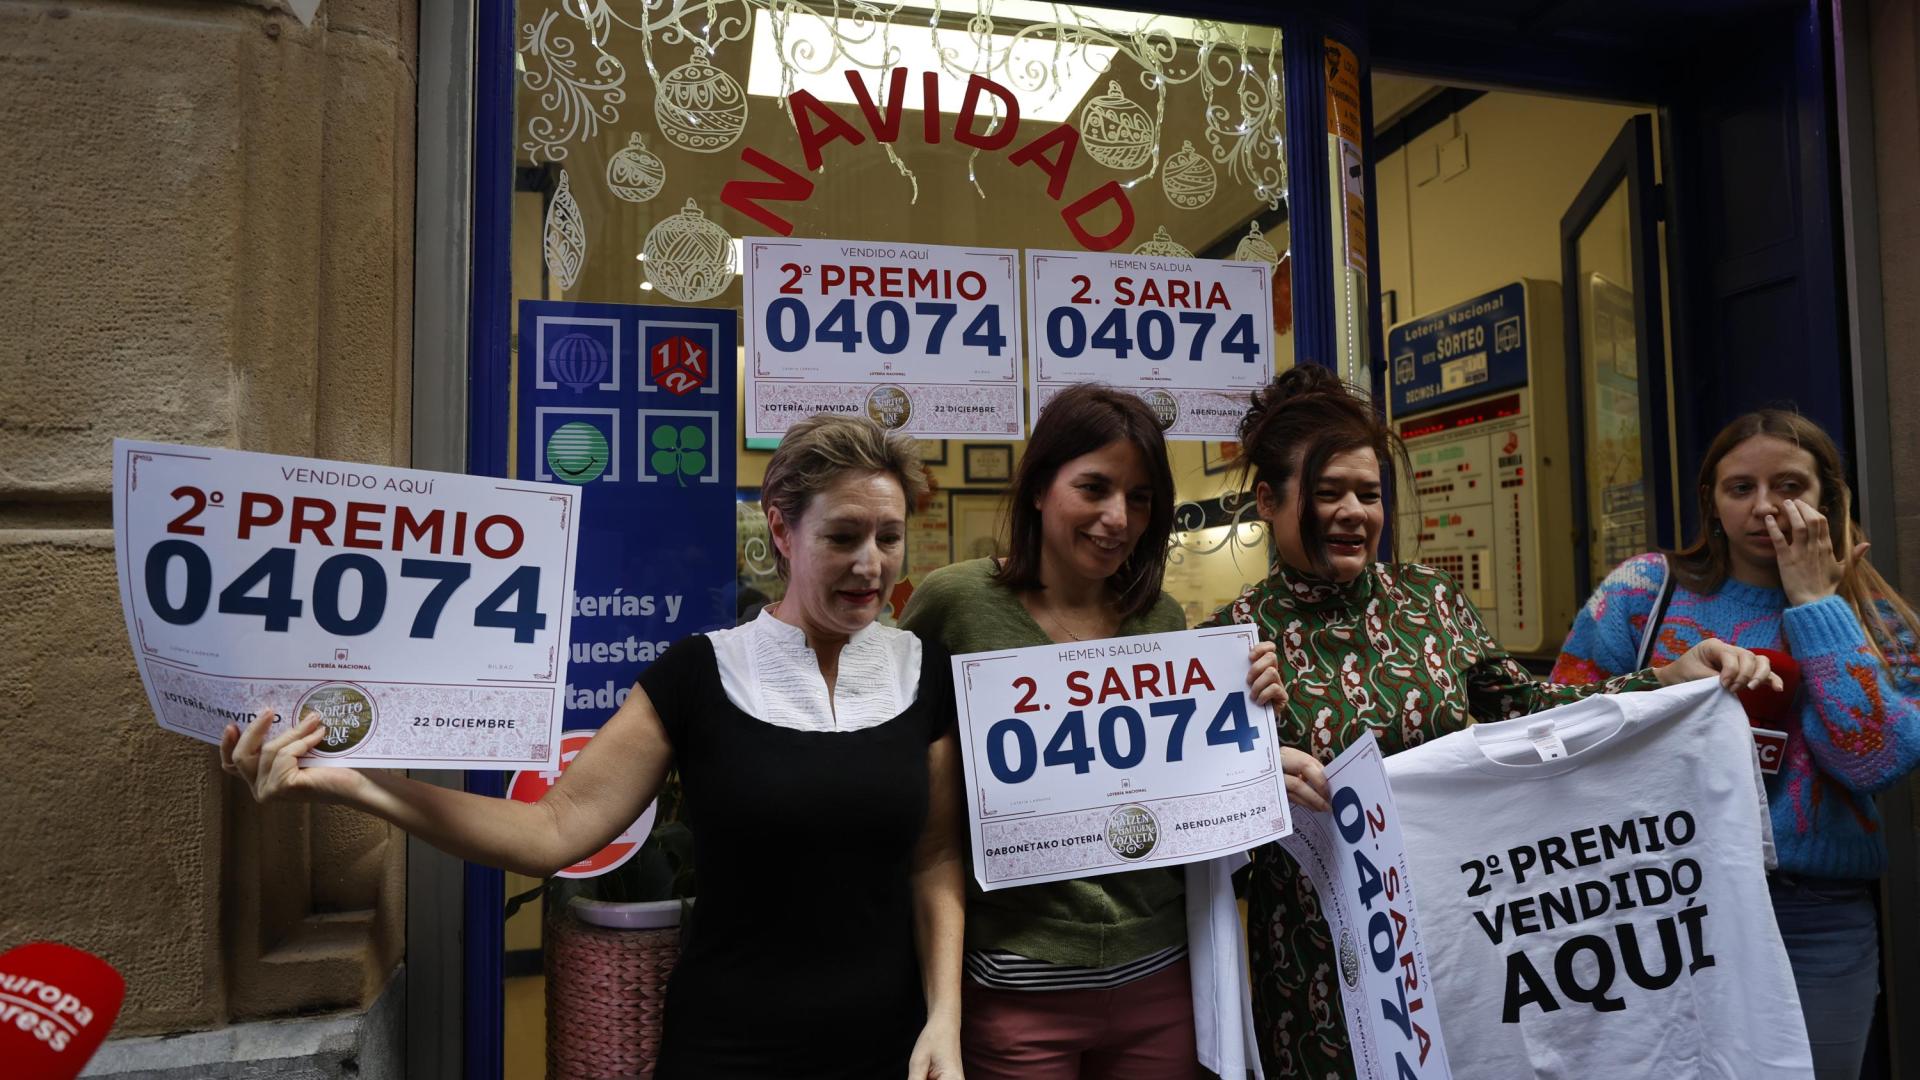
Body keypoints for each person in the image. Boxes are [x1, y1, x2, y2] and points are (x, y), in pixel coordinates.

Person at [222, 415, 966, 1080]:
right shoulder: (699, 674)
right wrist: (357, 782)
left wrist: (944, 1022)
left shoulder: (922, 674)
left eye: (888, 537)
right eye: (843, 536)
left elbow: (934, 860)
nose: (871, 563)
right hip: (731, 1051)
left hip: (893, 1050)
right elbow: (551, 831)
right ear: (781, 530)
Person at [1201, 365, 1778, 1080]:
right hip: (1316, 953)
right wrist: (1254, 767)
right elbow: (1200, 822)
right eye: (1327, 493)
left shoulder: (1429, 600)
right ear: (1268, 500)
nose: (1354, 512)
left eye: (1369, 494)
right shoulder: (1228, 644)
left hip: (1456, 931)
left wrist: (1666, 679)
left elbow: (1528, 710)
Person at [899, 382, 1309, 1079]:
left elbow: (1181, 782)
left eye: (1140, 498)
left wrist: (1254, 738)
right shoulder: (955, 604)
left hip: (1160, 977)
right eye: (1093, 488)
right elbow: (897, 757)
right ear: (1038, 488)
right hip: (1015, 983)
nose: (1118, 518)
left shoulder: (1162, 620)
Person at [1553, 408, 1920, 1080]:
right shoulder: (1642, 593)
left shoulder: (1876, 617)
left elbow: (1874, 762)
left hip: (1815, 916)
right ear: (1711, 502)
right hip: (1661, 900)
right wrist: (1663, 681)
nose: (1764, 507)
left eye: (1790, 486)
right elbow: (1558, 726)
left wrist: (1815, 605)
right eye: (1740, 488)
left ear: (1827, 499)